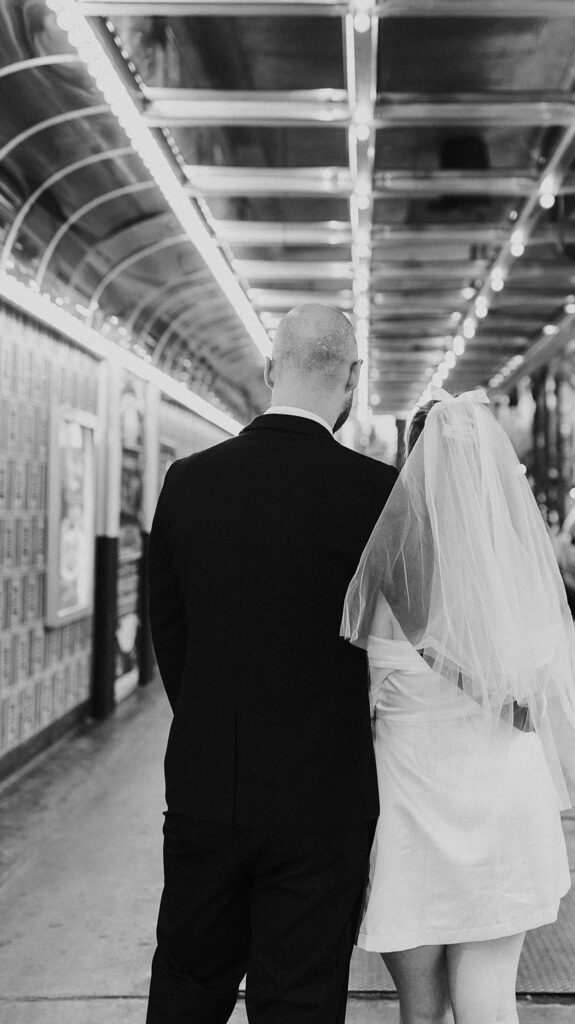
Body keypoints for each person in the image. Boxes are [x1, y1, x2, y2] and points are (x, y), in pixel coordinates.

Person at [146, 303, 397, 1024]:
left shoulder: (188, 483)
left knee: (187, 990)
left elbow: (173, 634)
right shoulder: (376, 495)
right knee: (301, 1001)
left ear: (267, 370)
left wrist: (211, 723)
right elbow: (395, 645)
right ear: (353, 378)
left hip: (206, 788)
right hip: (325, 803)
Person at [342, 387, 575, 1024]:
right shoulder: (517, 570)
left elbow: (353, 699)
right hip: (504, 797)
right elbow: (532, 698)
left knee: (419, 1007)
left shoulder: (378, 572)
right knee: (489, 990)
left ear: (411, 462)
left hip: (410, 803)